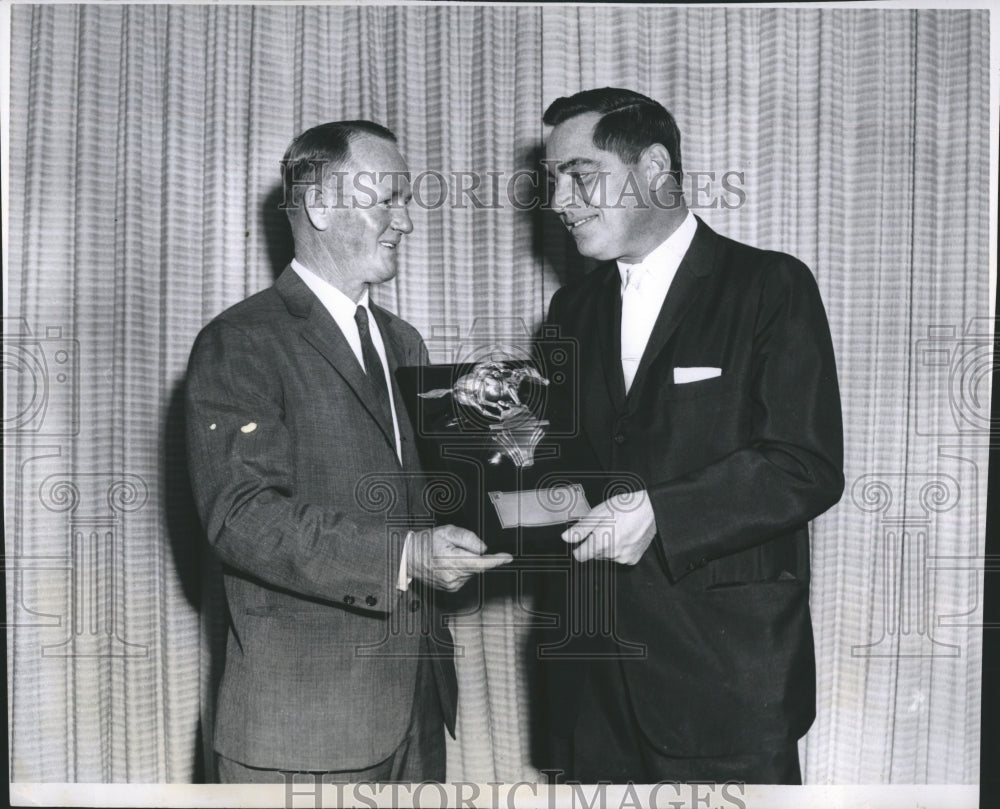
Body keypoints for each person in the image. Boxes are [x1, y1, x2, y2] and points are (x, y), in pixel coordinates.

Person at [185, 120, 511, 783]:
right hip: (303, 731)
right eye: (385, 197)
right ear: (319, 205)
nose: (405, 223)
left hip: (415, 716)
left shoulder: (405, 344)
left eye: (404, 199)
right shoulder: (240, 341)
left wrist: (516, 444)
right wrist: (405, 557)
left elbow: (433, 496)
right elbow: (242, 518)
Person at [536, 88, 844, 784]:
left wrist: (661, 514)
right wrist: (503, 504)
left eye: (579, 174)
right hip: (592, 686)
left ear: (652, 167)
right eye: (554, 180)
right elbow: (568, 462)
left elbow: (806, 464)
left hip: (724, 686)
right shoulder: (571, 307)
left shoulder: (769, 285)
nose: (559, 200)